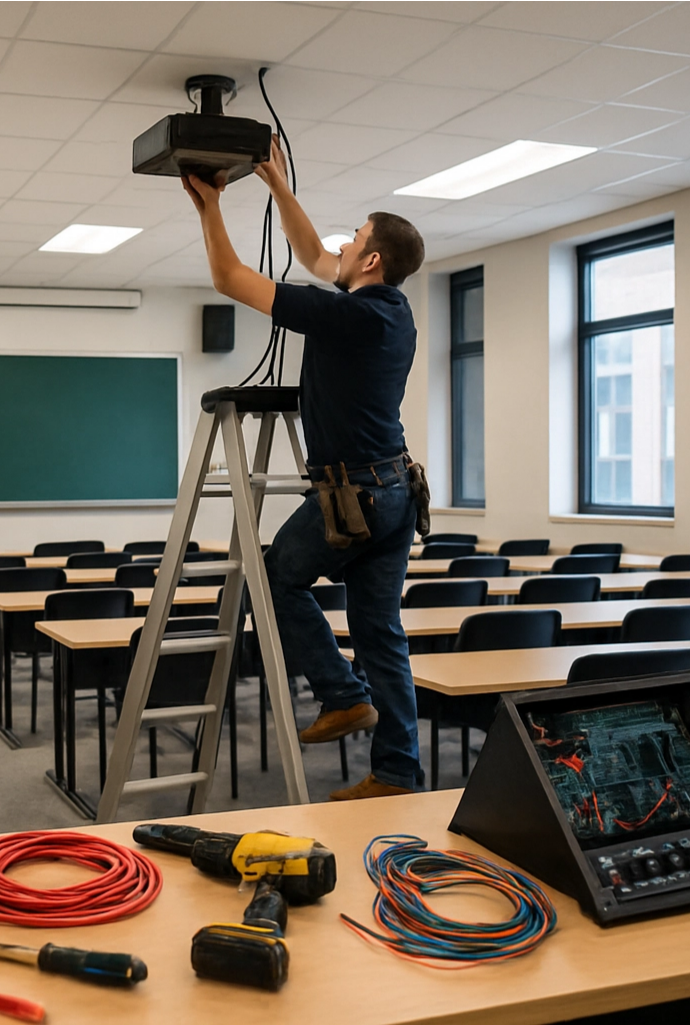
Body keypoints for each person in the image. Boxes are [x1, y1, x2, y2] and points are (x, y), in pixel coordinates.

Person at [181, 138, 427, 800]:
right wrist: (278, 187)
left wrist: (209, 207)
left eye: (353, 241)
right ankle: (397, 770)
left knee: (272, 575)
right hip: (396, 488)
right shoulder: (390, 311)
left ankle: (341, 693)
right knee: (380, 632)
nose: (338, 249)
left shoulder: (348, 315)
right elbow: (312, 255)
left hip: (359, 493)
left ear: (371, 259)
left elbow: (230, 277)